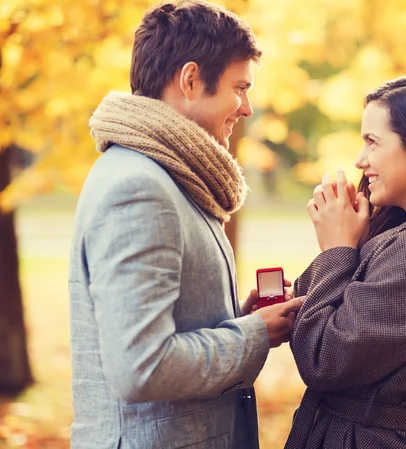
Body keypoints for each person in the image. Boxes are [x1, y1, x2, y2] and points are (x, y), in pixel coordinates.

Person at [68, 1, 302, 448]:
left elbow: (162, 323)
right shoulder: (139, 187)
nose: (247, 108)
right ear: (191, 80)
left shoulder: (170, 175)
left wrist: (236, 315)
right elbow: (143, 367)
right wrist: (252, 334)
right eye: (239, 88)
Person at [285, 72, 406, 448]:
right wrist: (349, 245)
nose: (361, 161)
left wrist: (337, 250)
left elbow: (323, 359)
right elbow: (312, 303)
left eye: (373, 143)